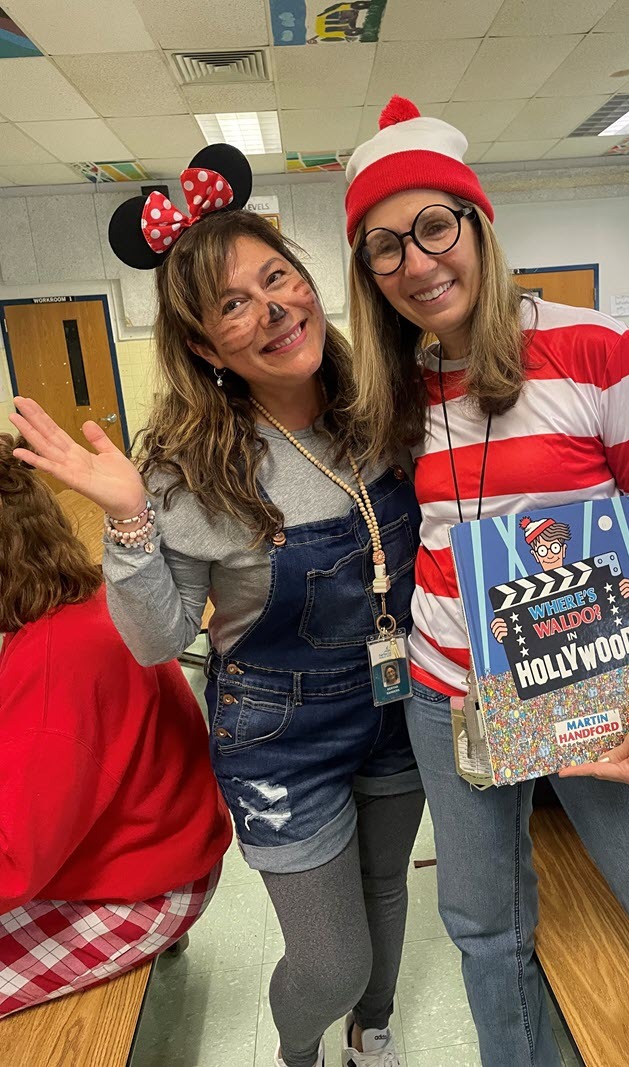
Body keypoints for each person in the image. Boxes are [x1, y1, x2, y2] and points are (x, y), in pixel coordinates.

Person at [343, 96, 629, 1067]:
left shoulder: (593, 348)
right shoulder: (394, 380)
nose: (416, 262)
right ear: (367, 269)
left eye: (433, 226)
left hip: (588, 684)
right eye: (385, 246)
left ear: (476, 225)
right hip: (447, 695)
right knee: (482, 929)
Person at [10, 144, 424, 1067]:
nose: (274, 307)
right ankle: (301, 1051)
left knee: (388, 889)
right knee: (328, 959)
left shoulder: (385, 408)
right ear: (204, 346)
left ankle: (375, 1030)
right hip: (282, 735)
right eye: (235, 303)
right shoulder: (188, 469)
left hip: (399, 705)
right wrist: (128, 521)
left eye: (278, 277)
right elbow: (159, 638)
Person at [0, 435, 230, 1018]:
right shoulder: (79, 601)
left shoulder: (52, 670)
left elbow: (14, 865)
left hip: (148, 883)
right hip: (166, 842)